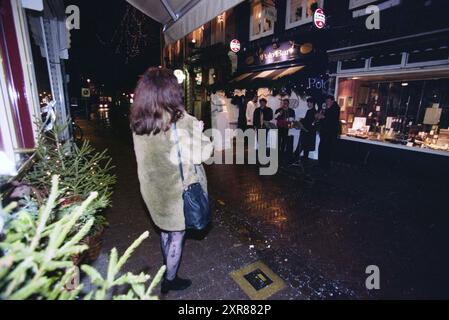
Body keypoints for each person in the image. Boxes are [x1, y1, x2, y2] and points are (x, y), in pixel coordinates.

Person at [130, 67, 213, 294]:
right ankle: (170, 279)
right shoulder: (180, 120)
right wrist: (198, 130)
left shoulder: (139, 121)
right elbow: (202, 154)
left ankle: (167, 268)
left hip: (154, 192)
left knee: (165, 232)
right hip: (177, 193)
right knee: (177, 235)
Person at [316, 95, 341, 171]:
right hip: (324, 132)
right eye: (326, 101)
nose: (327, 102)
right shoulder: (326, 108)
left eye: (328, 101)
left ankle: (326, 166)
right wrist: (319, 116)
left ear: (332, 101)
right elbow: (322, 118)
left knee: (327, 149)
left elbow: (332, 119)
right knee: (322, 148)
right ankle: (320, 164)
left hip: (330, 133)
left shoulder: (336, 108)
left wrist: (322, 117)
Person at [292, 97, 317, 165]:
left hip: (308, 132)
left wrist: (302, 121)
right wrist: (301, 121)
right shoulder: (309, 111)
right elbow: (307, 121)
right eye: (308, 103)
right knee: (303, 147)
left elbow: (312, 123)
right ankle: (299, 161)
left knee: (305, 148)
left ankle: (301, 161)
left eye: (310, 103)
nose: (308, 104)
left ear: (313, 104)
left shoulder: (314, 112)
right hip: (305, 131)